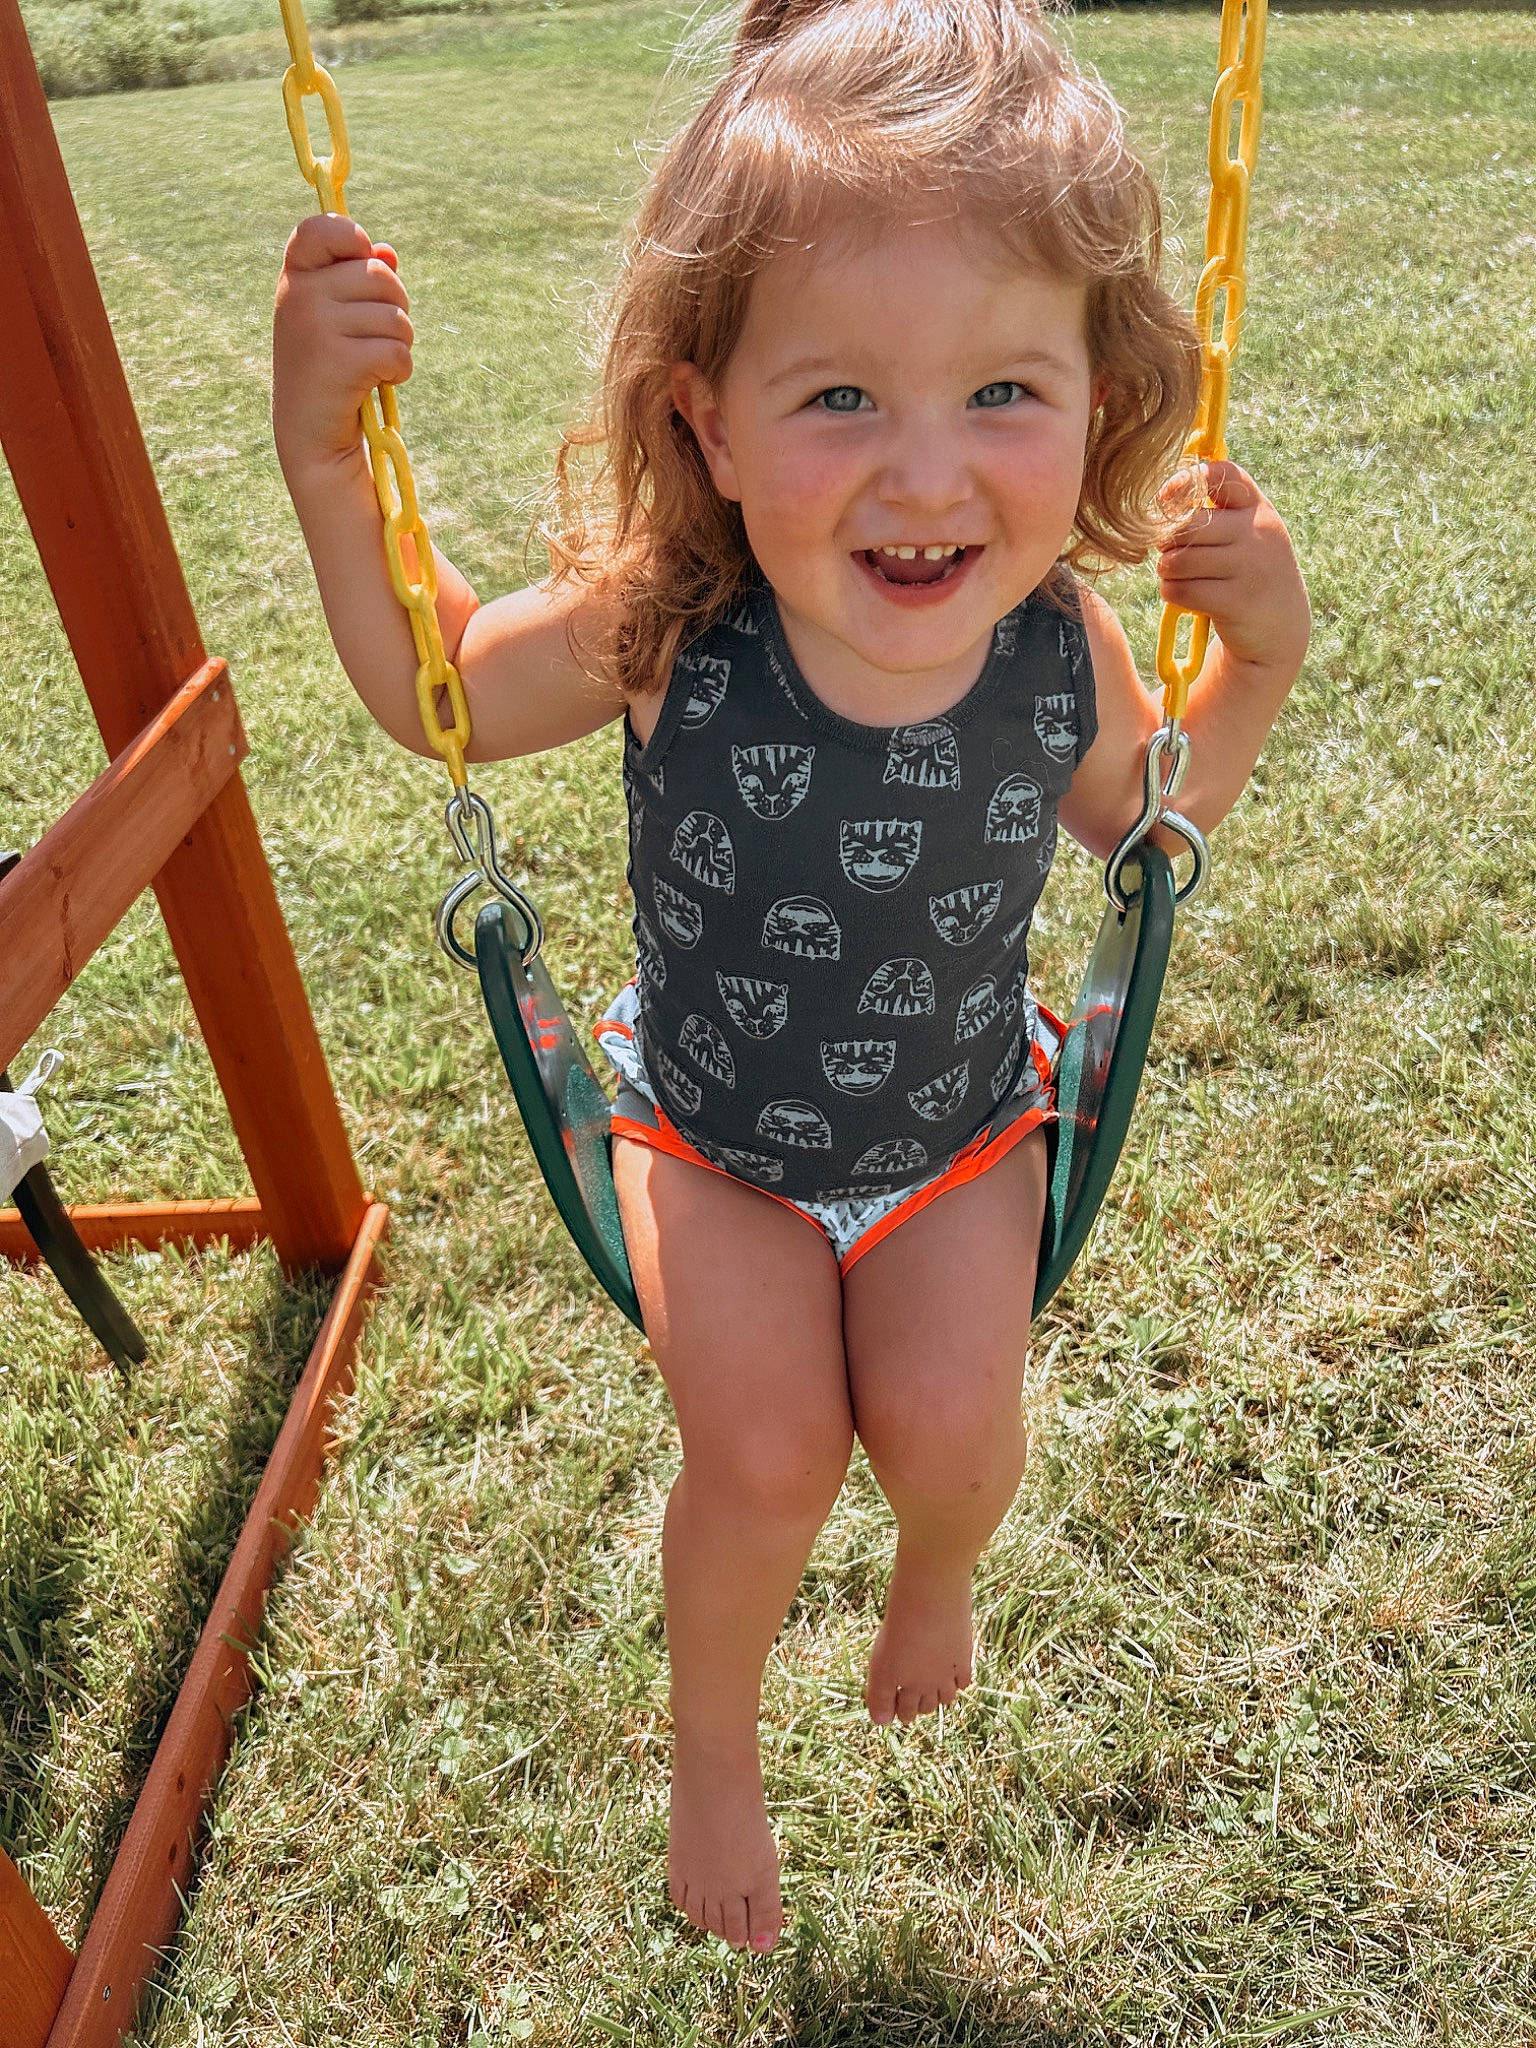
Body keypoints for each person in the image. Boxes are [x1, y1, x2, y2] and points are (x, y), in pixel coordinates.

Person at [272, 0, 1310, 1958]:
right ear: (707, 422)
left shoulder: (1058, 641)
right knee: (758, 1453)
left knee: (955, 1431)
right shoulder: (664, 613)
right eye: (839, 400)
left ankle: (937, 1574)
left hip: (956, 1125)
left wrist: (1243, 671)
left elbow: (1147, 824)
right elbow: (444, 695)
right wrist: (332, 468)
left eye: (1004, 390)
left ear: (1100, 400)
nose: (925, 479)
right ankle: (714, 1742)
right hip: (712, 1129)